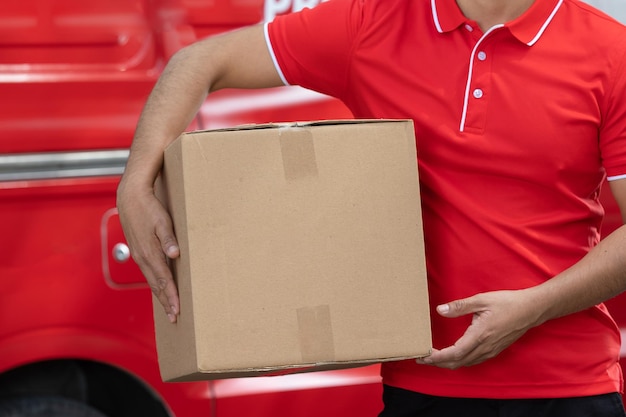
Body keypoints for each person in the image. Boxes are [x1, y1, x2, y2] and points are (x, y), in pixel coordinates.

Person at [116, 0, 626, 415]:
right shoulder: (370, 23)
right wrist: (135, 184)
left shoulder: (610, 51)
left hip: (571, 389)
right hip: (422, 386)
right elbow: (199, 61)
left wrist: (533, 308)